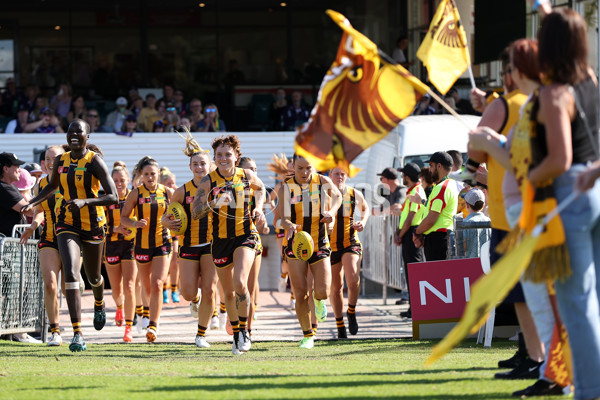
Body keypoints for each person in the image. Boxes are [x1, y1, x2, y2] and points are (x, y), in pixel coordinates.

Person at [468, 38, 564, 395]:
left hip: (531, 216)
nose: (505, 73)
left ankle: (544, 361)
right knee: (535, 294)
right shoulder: (527, 105)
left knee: (538, 295)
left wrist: (489, 145)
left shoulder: (537, 103)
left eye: (508, 67)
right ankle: (543, 363)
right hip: (522, 213)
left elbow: (553, 162)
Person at [529, 9, 600, 399]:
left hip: (569, 195)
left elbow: (559, 160)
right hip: (596, 188)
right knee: (595, 301)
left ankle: (590, 391)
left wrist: (528, 176)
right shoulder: (590, 80)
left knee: (578, 306)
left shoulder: (555, 94)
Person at [22, 119, 118, 352]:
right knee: (72, 274)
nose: (74, 135)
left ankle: (98, 301)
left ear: (88, 136)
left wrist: (86, 201)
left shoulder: (94, 162)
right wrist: (32, 202)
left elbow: (113, 196)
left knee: (94, 277)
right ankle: (77, 334)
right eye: (70, 131)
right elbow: (52, 187)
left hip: (93, 224)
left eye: (79, 131)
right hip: (66, 224)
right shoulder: (61, 161)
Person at [191, 135, 267, 354]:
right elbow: (196, 213)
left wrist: (259, 208)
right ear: (215, 158)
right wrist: (214, 202)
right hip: (220, 241)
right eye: (219, 155)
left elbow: (261, 189)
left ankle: (244, 331)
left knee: (240, 282)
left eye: (228, 154)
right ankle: (236, 333)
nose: (223, 158)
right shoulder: (208, 180)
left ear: (236, 156)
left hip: (245, 236)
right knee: (228, 293)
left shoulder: (246, 175)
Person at [276, 154, 342, 349]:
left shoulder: (322, 181)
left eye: (308, 168)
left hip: (320, 242)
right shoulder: (286, 187)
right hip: (296, 244)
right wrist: (289, 225)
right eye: (300, 168)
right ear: (293, 168)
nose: (304, 172)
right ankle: (307, 336)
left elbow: (337, 196)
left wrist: (332, 212)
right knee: (300, 292)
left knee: (322, 290)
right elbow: (284, 216)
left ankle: (319, 300)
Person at [162, 133, 216, 348]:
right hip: (188, 245)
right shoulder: (181, 191)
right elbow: (167, 216)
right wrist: (167, 223)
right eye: (196, 164)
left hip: (213, 245)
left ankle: (201, 334)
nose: (200, 167)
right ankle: (195, 300)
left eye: (203, 163)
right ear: (190, 167)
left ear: (209, 165)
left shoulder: (217, 186)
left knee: (211, 289)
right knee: (187, 292)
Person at [120, 156, 174, 343]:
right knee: (146, 285)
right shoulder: (135, 194)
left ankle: (153, 324)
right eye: (146, 174)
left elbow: (180, 215)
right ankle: (145, 314)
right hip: (142, 244)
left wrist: (174, 224)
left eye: (153, 174)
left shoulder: (168, 192)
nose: (150, 177)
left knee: (158, 283)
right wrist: (135, 223)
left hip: (163, 243)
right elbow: (123, 218)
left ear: (158, 174)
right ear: (141, 176)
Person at [19, 145, 68, 346]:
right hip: (48, 238)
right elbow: (40, 211)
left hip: (70, 237)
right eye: (47, 159)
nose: (50, 163)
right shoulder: (42, 184)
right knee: (49, 284)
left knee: (68, 288)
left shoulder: (70, 182)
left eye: (54, 159)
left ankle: (76, 329)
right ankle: (55, 331)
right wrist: (33, 226)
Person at [328, 167, 369, 339]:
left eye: (343, 174)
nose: (340, 177)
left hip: (350, 241)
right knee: (336, 288)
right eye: (336, 173)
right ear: (330, 176)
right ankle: (340, 325)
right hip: (330, 246)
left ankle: (351, 311)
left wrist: (363, 222)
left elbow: (365, 208)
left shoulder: (354, 193)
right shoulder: (323, 194)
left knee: (353, 279)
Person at [103, 161, 138, 342]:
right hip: (112, 245)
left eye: (122, 180)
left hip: (131, 245)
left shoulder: (134, 198)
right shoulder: (107, 199)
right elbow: (99, 224)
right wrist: (116, 229)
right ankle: (119, 307)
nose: (118, 183)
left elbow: (142, 219)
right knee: (116, 290)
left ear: (128, 180)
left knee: (129, 286)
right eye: (115, 180)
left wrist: (131, 227)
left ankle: (129, 327)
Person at [413, 151, 458, 261]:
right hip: (440, 238)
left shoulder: (442, 187)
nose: (430, 169)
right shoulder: (448, 184)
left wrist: (417, 232)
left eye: (431, 166)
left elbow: (431, 219)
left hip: (438, 240)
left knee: (437, 276)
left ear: (439, 166)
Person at [394, 163, 425, 318]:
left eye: (403, 175)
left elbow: (410, 218)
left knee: (413, 272)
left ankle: (416, 309)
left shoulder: (416, 191)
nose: (402, 178)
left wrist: (400, 234)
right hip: (410, 233)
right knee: (410, 271)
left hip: (412, 233)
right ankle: (413, 308)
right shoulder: (413, 190)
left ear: (407, 176)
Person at [159, 167, 180, 304]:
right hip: (162, 232)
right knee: (165, 264)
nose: (172, 186)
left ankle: (174, 289)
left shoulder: (177, 194)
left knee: (175, 259)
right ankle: (164, 290)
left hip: (175, 232)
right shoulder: (160, 195)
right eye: (169, 184)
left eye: (173, 183)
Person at [0, 152, 30, 237]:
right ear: (6, 169)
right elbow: (28, 210)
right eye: (17, 166)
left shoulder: (9, 186)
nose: (20, 170)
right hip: (7, 246)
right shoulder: (3, 188)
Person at [462, 188, 490, 258]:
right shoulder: (489, 221)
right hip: (487, 265)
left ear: (467, 205)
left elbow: (462, 248)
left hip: (470, 265)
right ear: (483, 205)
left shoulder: (465, 223)